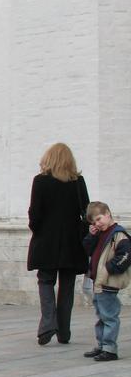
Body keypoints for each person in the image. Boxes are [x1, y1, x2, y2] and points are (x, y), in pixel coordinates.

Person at [26, 143, 89, 346]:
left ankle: (47, 324)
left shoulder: (40, 181)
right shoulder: (77, 182)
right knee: (67, 286)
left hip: (46, 240)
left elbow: (35, 214)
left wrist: (37, 229)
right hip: (72, 242)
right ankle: (64, 331)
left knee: (45, 281)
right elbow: (86, 212)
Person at [82, 201, 131, 362]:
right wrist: (91, 235)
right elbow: (87, 248)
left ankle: (110, 349)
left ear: (108, 214)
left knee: (109, 316)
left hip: (108, 282)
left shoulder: (118, 234)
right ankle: (102, 345)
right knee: (101, 315)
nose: (97, 223)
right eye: (94, 222)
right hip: (98, 282)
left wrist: (109, 268)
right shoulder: (100, 233)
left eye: (99, 219)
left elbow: (125, 256)